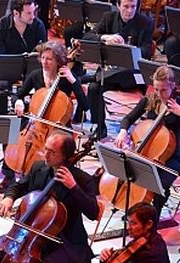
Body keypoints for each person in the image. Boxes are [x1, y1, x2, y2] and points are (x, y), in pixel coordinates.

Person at [0, 131, 100, 263]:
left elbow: (93, 212)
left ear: (66, 156)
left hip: (66, 241)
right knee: (9, 253)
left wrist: (74, 188)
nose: (45, 155)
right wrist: (9, 198)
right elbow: (19, 186)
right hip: (36, 236)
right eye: (45, 149)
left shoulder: (81, 179)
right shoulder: (39, 167)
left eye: (52, 152)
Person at [0, 0, 47, 193]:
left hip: (30, 77)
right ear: (16, 13)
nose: (33, 16)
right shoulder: (1, 27)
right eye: (29, 13)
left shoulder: (38, 26)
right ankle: (8, 171)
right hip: (7, 77)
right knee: (3, 111)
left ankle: (30, 165)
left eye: (34, 12)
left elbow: (43, 56)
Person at [112, 66, 180, 221]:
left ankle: (152, 219)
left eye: (163, 90)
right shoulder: (151, 99)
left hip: (175, 156)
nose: (159, 94)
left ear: (173, 86)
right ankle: (136, 210)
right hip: (149, 151)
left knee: (159, 185)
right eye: (156, 89)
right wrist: (123, 131)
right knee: (131, 173)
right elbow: (128, 119)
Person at [82, 0, 154, 139]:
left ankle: (92, 76)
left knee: (118, 74)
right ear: (118, 5)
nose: (129, 11)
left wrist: (129, 50)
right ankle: (100, 127)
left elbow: (146, 52)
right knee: (93, 88)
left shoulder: (146, 22)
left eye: (133, 7)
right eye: (126, 7)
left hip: (133, 75)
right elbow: (87, 37)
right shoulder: (108, 17)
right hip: (110, 73)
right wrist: (105, 37)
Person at [13, 41, 89, 121]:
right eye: (42, 58)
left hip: (59, 123)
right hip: (36, 122)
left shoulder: (67, 76)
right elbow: (17, 95)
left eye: (49, 59)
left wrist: (73, 82)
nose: (44, 62)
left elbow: (85, 106)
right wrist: (18, 102)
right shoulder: (35, 75)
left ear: (58, 61)